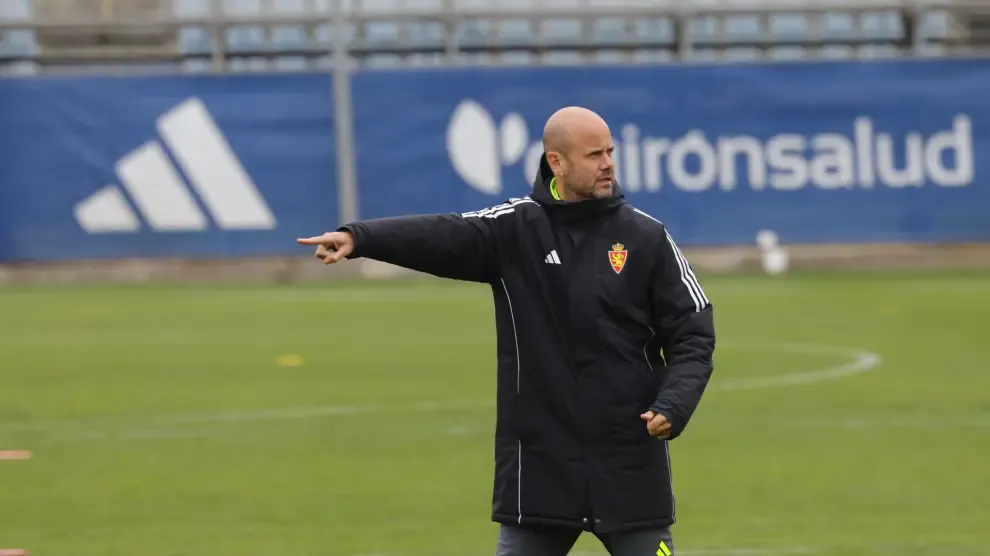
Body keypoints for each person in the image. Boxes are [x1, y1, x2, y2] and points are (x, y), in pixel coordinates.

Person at [298, 106, 716, 556]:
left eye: (610, 151)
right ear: (556, 162)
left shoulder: (646, 238)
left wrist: (674, 404)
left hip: (629, 468)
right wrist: (360, 238)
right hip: (540, 473)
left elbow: (694, 331)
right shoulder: (516, 230)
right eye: (594, 154)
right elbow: (443, 235)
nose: (608, 164)